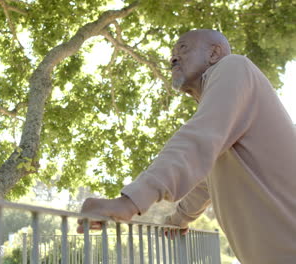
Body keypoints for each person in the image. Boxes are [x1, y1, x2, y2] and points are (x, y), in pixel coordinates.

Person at [78, 29, 296, 264]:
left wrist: (129, 202)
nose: (172, 58)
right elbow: (206, 183)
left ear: (214, 53)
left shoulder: (234, 67)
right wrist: (179, 219)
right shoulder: (226, 122)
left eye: (183, 48)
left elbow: (199, 138)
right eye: (172, 53)